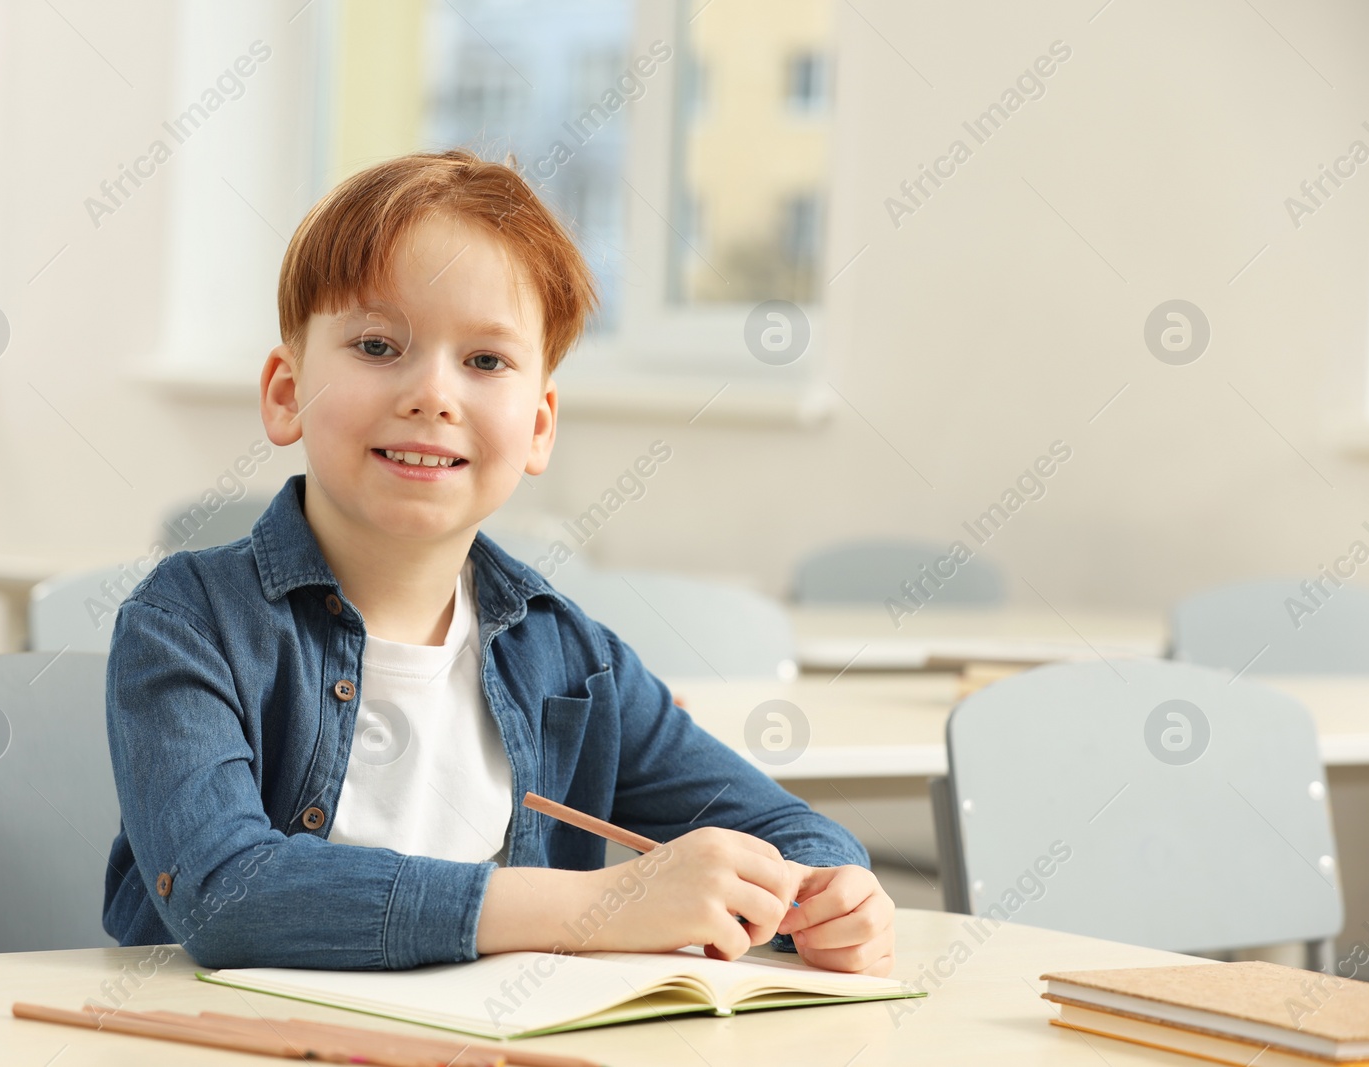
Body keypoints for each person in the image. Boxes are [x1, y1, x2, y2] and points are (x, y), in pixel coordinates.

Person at [102, 148, 895, 975]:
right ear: (284, 391)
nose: (432, 394)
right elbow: (227, 894)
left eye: (485, 361)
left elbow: (784, 829)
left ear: (541, 425)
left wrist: (834, 888)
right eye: (377, 346)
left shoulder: (570, 659)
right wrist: (601, 907)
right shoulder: (187, 621)